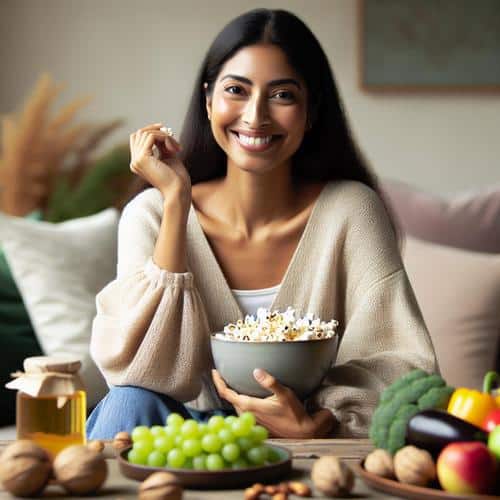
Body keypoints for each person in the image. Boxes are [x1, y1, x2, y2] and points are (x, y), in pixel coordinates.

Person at [87, 8, 438, 439]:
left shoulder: (350, 211)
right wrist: (176, 201)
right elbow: (142, 372)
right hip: (184, 440)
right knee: (127, 403)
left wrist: (319, 422)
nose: (255, 116)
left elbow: (399, 359)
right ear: (208, 100)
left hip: (308, 441)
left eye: (283, 95)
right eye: (236, 90)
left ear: (311, 111)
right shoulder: (152, 213)